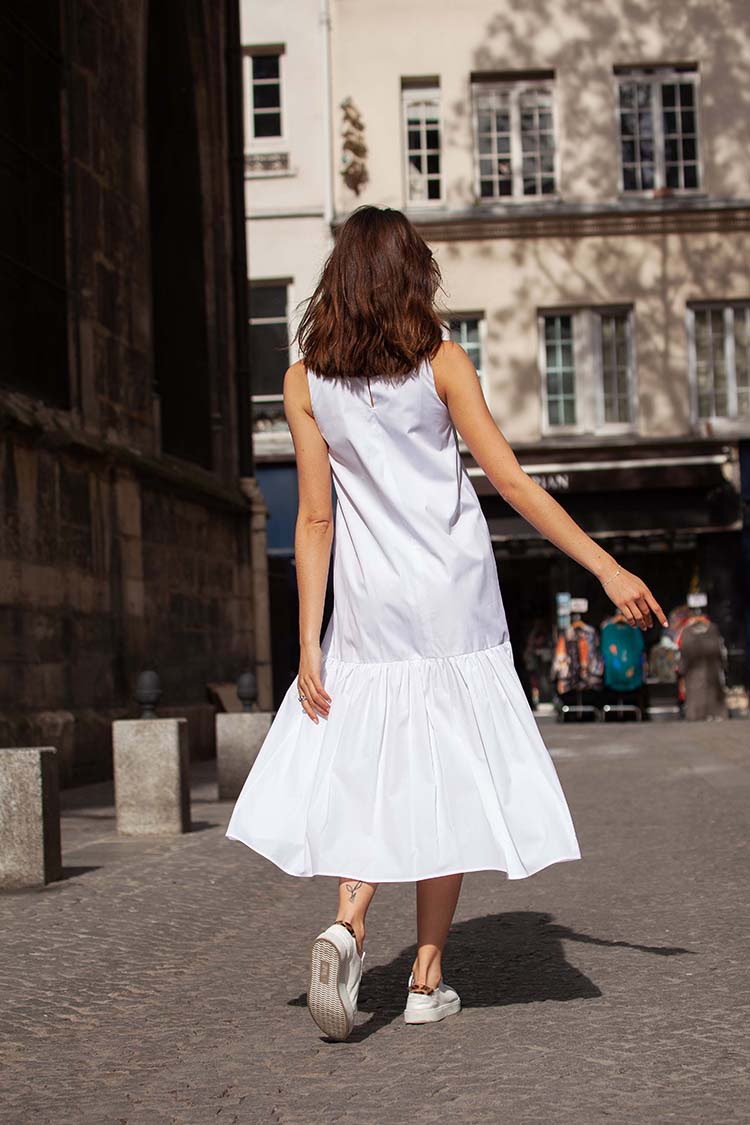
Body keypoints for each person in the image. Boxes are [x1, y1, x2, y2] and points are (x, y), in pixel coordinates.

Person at [225, 205, 667, 1041]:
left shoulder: (304, 381)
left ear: (339, 280)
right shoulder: (441, 362)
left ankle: (350, 919)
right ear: (411, 275)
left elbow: (313, 519)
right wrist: (606, 566)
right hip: (454, 598)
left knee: (370, 765)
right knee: (447, 774)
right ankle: (426, 979)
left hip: (368, 602)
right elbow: (513, 483)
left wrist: (308, 641)